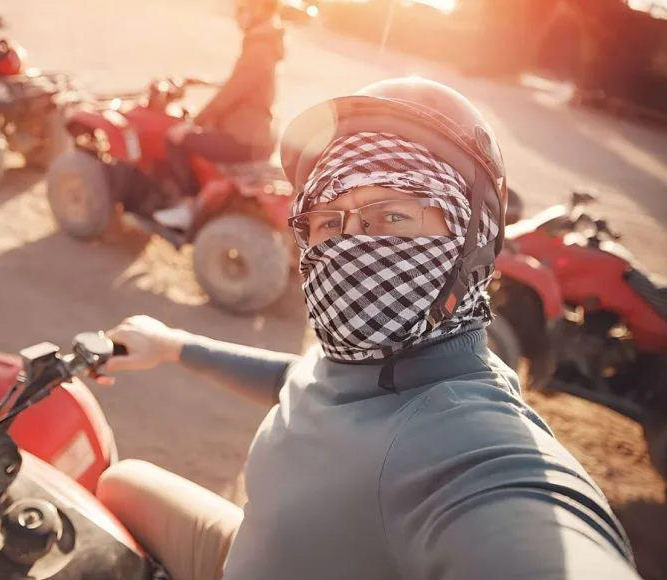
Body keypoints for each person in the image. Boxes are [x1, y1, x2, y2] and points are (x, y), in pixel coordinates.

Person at [95, 77, 642, 580]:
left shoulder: (471, 449)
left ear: (475, 235)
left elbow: (529, 526)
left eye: (393, 216)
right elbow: (310, 385)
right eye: (330, 221)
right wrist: (176, 347)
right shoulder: (366, 360)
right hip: (250, 551)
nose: (350, 248)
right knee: (117, 486)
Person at [152, 0, 285, 231]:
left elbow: (231, 93)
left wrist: (194, 123)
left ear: (260, 11)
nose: (238, 14)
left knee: (176, 139)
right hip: (253, 134)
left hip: (243, 139)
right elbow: (243, 87)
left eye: (244, 9)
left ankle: (187, 206)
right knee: (201, 136)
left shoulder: (259, 49)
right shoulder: (266, 46)